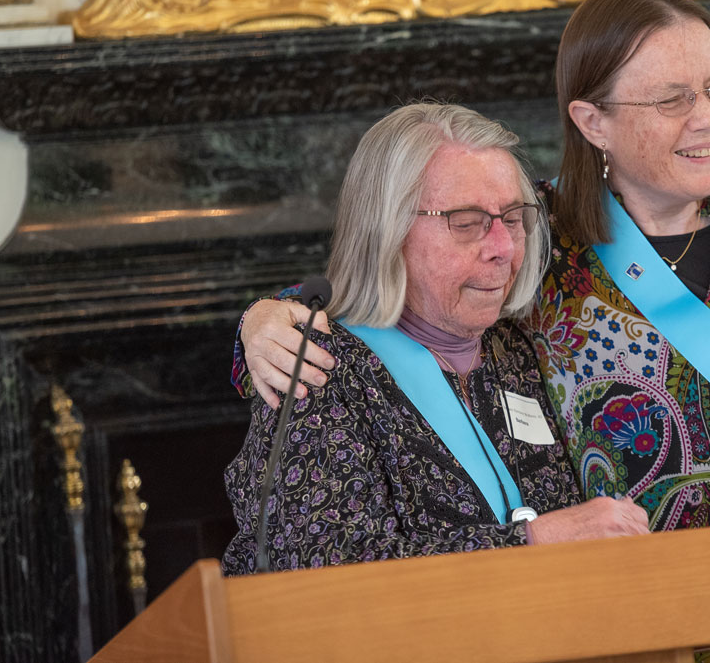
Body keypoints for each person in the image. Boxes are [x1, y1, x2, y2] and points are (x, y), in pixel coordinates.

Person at [233, 0, 710, 662]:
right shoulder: (542, 240)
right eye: (672, 98)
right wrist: (262, 321)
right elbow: (393, 280)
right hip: (672, 630)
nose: (708, 117)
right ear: (592, 121)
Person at [222, 103, 649, 576]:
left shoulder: (513, 350)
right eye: (466, 222)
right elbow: (331, 573)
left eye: (512, 218)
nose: (504, 249)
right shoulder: (318, 367)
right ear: (388, 230)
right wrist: (538, 540)